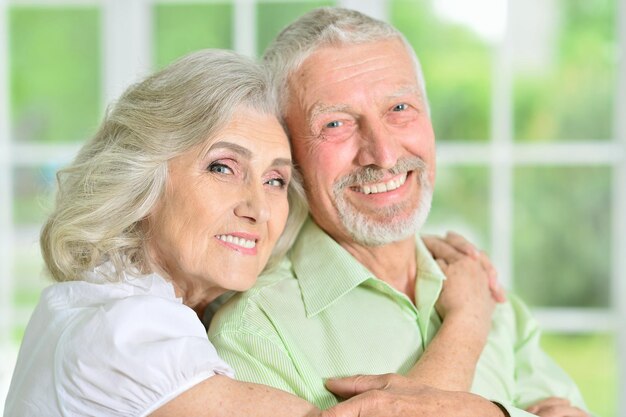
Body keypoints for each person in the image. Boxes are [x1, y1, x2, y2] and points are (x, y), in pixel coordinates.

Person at [3, 48, 506, 417]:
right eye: (223, 168)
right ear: (145, 177)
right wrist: (467, 318)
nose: (258, 208)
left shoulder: (116, 305)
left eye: (275, 180)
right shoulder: (125, 334)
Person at [208, 7, 592, 417]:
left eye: (399, 109)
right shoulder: (254, 334)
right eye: (336, 124)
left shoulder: (483, 289)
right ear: (288, 152)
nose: (384, 154)